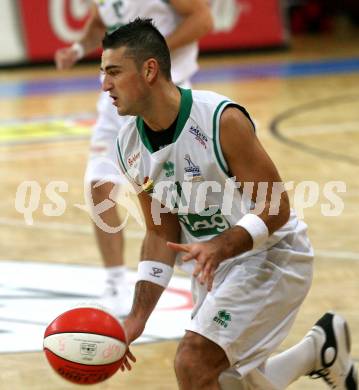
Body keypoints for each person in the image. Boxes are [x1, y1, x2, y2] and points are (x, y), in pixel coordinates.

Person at [101, 18, 358, 390]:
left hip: (271, 255)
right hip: (214, 268)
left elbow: (276, 207)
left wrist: (219, 247)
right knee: (223, 381)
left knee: (193, 363)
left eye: (113, 72)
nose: (105, 84)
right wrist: (137, 317)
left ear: (149, 70)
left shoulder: (221, 120)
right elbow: (160, 231)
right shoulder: (128, 145)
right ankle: (319, 349)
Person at [54, 0, 213, 316]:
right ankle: (115, 281)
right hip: (118, 102)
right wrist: (76, 47)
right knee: (99, 183)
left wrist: (152, 53)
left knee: (179, 198)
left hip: (164, 99)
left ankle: (207, 273)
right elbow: (98, 25)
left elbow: (203, 19)